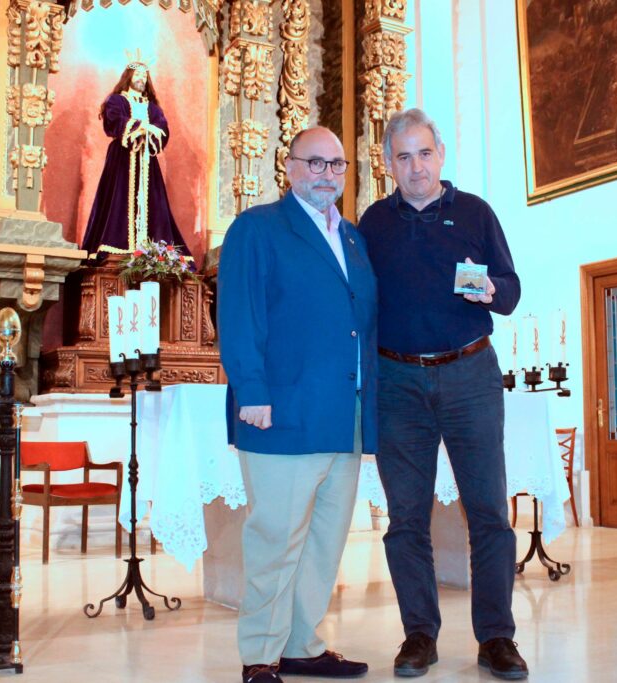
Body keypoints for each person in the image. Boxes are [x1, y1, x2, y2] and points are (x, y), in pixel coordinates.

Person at [358, 108, 527, 680]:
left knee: (488, 515)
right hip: (397, 383)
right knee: (407, 517)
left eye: (424, 154)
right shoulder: (373, 223)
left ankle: (497, 638)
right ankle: (418, 635)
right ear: (388, 164)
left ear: (442, 154)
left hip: (469, 376)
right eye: (403, 157)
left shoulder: (476, 212)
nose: (416, 167)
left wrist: (488, 289)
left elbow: (511, 291)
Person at [218, 127, 377, 683]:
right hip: (282, 413)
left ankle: (302, 645)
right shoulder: (258, 229)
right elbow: (239, 315)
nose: (327, 174)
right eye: (315, 163)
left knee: (325, 541)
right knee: (276, 540)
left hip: (345, 414)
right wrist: (253, 392)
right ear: (289, 168)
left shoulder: (353, 240)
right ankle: (260, 653)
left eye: (337, 165)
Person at [80, 57, 189, 257]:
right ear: (129, 76)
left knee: (152, 204)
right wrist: (141, 127)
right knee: (118, 199)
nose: (141, 79)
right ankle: (118, 247)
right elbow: (114, 119)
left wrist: (151, 130)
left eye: (144, 76)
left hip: (147, 161)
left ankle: (151, 251)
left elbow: (162, 127)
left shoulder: (153, 107)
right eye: (137, 74)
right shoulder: (117, 100)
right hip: (122, 159)